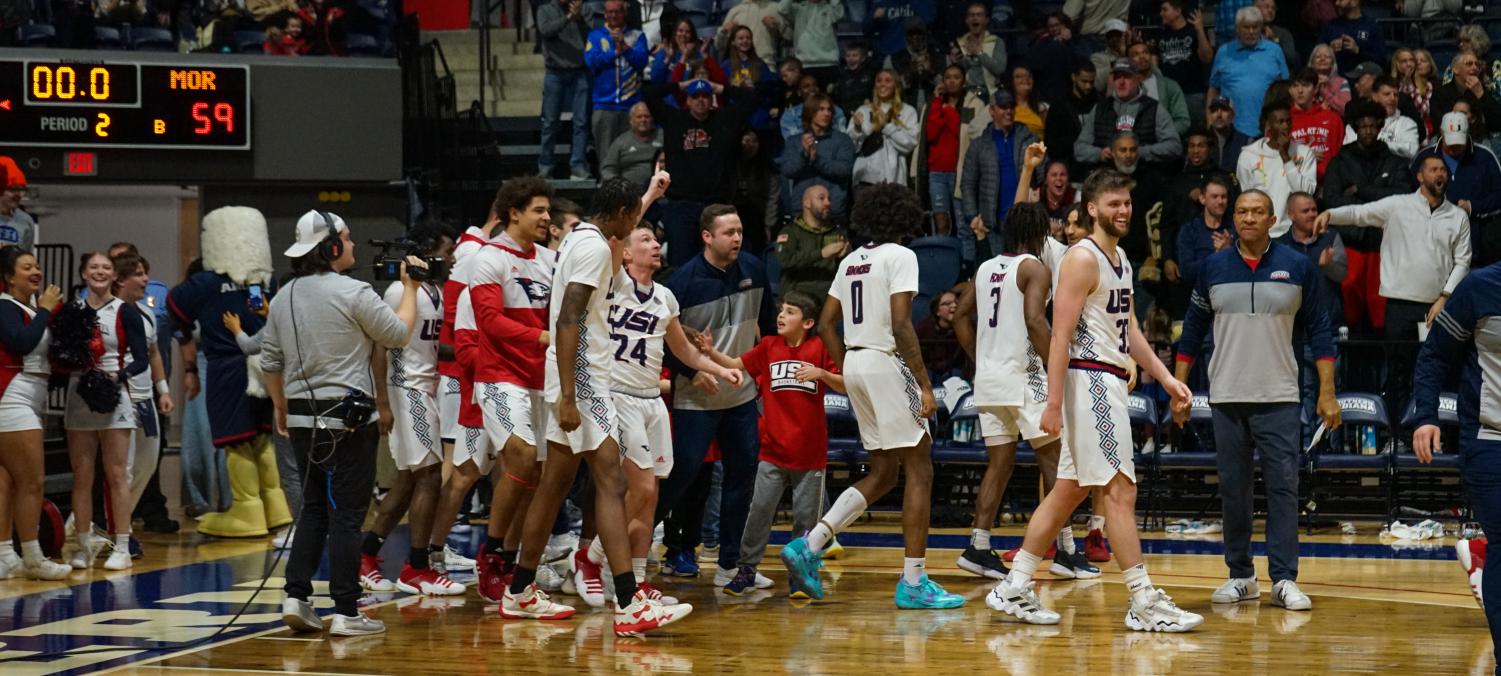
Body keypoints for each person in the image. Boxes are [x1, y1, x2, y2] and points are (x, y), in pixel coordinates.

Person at [986, 168, 1199, 631]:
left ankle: (1014, 584)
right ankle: (1143, 599)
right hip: (1091, 382)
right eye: (1114, 204)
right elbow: (1059, 335)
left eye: (1127, 203)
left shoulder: (1119, 257)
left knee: (1070, 490)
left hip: (1106, 378)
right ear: (1092, 208)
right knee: (1121, 490)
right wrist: (1054, 402)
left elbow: (1131, 332)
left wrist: (1165, 379)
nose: (1123, 210)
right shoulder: (1082, 259)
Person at [503, 178, 697, 635]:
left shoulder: (581, 237)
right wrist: (570, 395)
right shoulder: (592, 250)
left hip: (575, 371)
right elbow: (569, 316)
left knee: (554, 484)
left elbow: (618, 229)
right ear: (623, 217)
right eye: (637, 220)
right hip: (584, 375)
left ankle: (520, 590)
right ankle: (629, 604)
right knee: (611, 480)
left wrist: (648, 195)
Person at [780, 183, 964, 609]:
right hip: (883, 361)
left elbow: (826, 324)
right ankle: (914, 581)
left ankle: (812, 544)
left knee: (883, 472)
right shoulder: (901, 256)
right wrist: (922, 382)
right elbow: (902, 325)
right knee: (920, 469)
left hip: (858, 363)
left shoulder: (850, 260)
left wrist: (847, 366)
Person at [1176, 189, 1340, 613]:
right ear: (1233, 218)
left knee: (1285, 488)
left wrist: (1326, 392)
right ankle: (1241, 576)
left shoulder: (1298, 266)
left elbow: (1321, 332)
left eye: (1257, 212)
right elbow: (1191, 332)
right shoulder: (1212, 268)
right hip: (1226, 396)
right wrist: (1179, 387)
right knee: (1234, 490)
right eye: (1241, 211)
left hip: (1280, 396)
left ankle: (1284, 579)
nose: (1248, 218)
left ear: (1272, 220)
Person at [263, 211, 421, 637]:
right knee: (348, 517)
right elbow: (396, 334)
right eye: (347, 239)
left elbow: (269, 362)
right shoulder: (355, 292)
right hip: (348, 422)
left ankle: (296, 595)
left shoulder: (282, 297)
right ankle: (348, 612)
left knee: (313, 510)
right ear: (331, 248)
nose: (353, 246)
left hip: (300, 420)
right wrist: (410, 290)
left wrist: (280, 407)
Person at [952, 202, 1101, 582]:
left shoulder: (985, 268)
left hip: (989, 380)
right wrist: (1057, 359)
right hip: (1023, 377)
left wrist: (979, 356)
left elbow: (958, 316)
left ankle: (978, 546)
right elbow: (1036, 319)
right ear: (1037, 234)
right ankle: (1066, 551)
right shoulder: (1035, 267)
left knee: (999, 465)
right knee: (1057, 464)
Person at [606, 221, 742, 603]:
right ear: (627, 253)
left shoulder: (665, 296)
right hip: (618, 395)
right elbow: (610, 238)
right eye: (645, 240)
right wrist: (647, 198)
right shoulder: (613, 283)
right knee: (643, 487)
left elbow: (683, 350)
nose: (655, 244)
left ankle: (634, 581)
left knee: (650, 498)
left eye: (656, 239)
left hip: (651, 400)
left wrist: (717, 368)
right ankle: (599, 555)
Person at [442, 178, 557, 603]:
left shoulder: (550, 259)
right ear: (514, 213)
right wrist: (544, 338)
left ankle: (510, 558)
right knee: (521, 455)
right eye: (539, 211)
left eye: (548, 211)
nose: (547, 219)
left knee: (537, 473)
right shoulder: (488, 258)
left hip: (540, 379)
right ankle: (489, 555)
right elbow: (489, 322)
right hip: (498, 374)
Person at [657, 205, 775, 589]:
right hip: (696, 399)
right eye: (729, 232)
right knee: (682, 478)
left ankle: (730, 565)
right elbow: (662, 343)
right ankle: (634, 549)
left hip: (741, 395)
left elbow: (769, 328)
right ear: (707, 236)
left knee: (743, 478)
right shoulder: (682, 282)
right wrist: (692, 371)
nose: (737, 238)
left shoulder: (755, 269)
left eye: (740, 230)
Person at [695, 291, 840, 596]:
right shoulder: (769, 346)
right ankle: (747, 570)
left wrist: (822, 373)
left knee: (806, 522)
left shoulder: (821, 347)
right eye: (781, 311)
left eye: (790, 312)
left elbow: (848, 382)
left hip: (809, 454)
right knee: (758, 512)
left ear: (809, 322)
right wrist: (710, 352)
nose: (782, 316)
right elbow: (737, 362)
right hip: (772, 451)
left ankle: (801, 577)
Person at [1316, 155, 1473, 417]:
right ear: (1420, 176)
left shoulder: (1457, 216)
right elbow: (1359, 213)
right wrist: (1330, 214)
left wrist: (1445, 296)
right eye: (1434, 169)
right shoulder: (1397, 206)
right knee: (1398, 371)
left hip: (1436, 307)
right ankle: (1397, 433)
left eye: (1443, 170)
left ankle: (1433, 427)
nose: (1440, 174)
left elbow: (1463, 261)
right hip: (1399, 305)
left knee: (1434, 370)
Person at [360, 228, 462, 597]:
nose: (452, 257)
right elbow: (380, 348)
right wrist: (382, 403)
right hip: (406, 390)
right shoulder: (399, 292)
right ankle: (417, 567)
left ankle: (365, 554)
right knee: (431, 475)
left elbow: (431, 346)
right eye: (447, 250)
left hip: (426, 388)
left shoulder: (432, 290)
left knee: (406, 483)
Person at [1410, 260, 1501, 662]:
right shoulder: (1480, 287)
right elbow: (1434, 357)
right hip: (1490, 439)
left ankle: (1480, 561)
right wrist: (1426, 416)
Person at [59, 252, 149, 572]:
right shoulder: (72, 310)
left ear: (115, 276)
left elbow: (141, 358)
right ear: (84, 273)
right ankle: (83, 545)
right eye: (93, 267)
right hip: (79, 394)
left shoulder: (126, 311)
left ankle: (121, 545)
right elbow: (60, 352)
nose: (99, 272)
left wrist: (117, 378)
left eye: (106, 268)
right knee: (82, 476)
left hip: (114, 396)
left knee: (116, 474)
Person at [0, 248, 70, 579]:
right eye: (27, 267)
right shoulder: (5, 306)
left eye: (37, 265)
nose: (36, 271)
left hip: (26, 396)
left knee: (8, 482)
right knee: (33, 480)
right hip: (12, 397)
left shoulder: (25, 308)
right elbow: (21, 342)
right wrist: (44, 310)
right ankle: (33, 557)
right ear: (9, 277)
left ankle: (4, 555)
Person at [644, 78, 756, 266]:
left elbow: (751, 99)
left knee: (721, 262)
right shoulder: (675, 120)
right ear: (687, 100)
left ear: (712, 99)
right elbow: (649, 94)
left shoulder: (725, 120)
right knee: (680, 263)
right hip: (682, 205)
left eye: (706, 96)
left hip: (717, 206)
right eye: (695, 96)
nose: (701, 100)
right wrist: (680, 85)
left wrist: (720, 87)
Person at [1323, 100, 1411, 331]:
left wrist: (1361, 191)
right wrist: (1376, 200)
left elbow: (1402, 195)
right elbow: (1332, 200)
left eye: (1373, 126)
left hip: (1384, 242)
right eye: (1363, 126)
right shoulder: (1340, 162)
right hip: (1351, 240)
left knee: (1379, 304)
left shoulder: (1395, 161)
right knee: (1350, 300)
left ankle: (1384, 363)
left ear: (1380, 127)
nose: (1368, 131)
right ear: (1355, 128)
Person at [110, 253, 173, 548]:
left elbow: (154, 353)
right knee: (123, 468)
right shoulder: (108, 313)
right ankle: (114, 529)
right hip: (120, 399)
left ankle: (118, 520)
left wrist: (164, 390)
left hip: (146, 399)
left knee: (147, 464)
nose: (146, 280)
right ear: (121, 279)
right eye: (138, 274)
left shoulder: (147, 314)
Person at [1414, 113, 1501, 268]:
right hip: (1433, 247)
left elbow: (1499, 195)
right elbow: (1408, 197)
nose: (1455, 148)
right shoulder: (1424, 157)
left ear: (1468, 135)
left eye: (1459, 143)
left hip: (1476, 247)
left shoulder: (1484, 157)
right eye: (1450, 143)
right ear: (1441, 133)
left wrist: (1473, 207)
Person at [962, 90, 1039, 264]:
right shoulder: (979, 145)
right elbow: (968, 183)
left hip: (1023, 221)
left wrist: (1038, 191)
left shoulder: (1028, 138)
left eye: (1011, 107)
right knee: (995, 274)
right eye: (1003, 107)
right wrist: (972, 216)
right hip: (992, 223)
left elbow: (1042, 173)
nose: (1008, 111)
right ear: (992, 111)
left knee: (1022, 270)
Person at [1074, 58, 1182, 174]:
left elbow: (1174, 147)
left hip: (1144, 176)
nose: (1121, 82)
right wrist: (1099, 153)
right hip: (1107, 177)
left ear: (1137, 79)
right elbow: (1079, 148)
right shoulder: (1100, 108)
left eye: (1126, 76)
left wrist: (1140, 152)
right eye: (1117, 77)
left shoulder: (1154, 108)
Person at [1207, 6, 1288, 139]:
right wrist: (1210, 121)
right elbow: (1213, 88)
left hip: (1269, 130)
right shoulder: (1224, 52)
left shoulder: (1275, 51)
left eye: (1255, 27)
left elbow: (1285, 89)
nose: (1251, 32)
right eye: (1246, 27)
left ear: (1261, 27)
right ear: (1237, 28)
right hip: (1231, 132)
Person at [1236, 103, 1316, 238]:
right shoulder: (1249, 155)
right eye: (1280, 122)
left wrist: (1286, 158)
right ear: (1269, 125)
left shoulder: (1304, 153)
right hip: (1260, 233)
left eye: (1288, 121)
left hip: (1292, 235)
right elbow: (1245, 198)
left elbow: (1306, 193)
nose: (1285, 126)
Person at [585, 0, 649, 168]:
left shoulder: (637, 36)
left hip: (631, 105)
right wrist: (614, 53)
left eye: (617, 11)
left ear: (624, 13)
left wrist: (625, 47)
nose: (613, 15)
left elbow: (641, 62)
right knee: (606, 158)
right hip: (604, 104)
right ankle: (607, 190)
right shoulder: (596, 36)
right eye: (610, 12)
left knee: (631, 156)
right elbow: (591, 61)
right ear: (605, 14)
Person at [535, 0, 592, 180]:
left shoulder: (585, 9)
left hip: (579, 72)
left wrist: (579, 18)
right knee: (550, 122)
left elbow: (590, 36)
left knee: (581, 122)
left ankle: (577, 164)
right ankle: (545, 165)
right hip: (554, 72)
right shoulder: (545, 10)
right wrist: (568, 18)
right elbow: (546, 31)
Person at [782, 92, 857, 223]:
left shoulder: (842, 140)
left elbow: (844, 170)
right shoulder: (795, 141)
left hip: (833, 210)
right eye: (821, 109)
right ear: (810, 112)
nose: (826, 113)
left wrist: (816, 159)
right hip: (802, 210)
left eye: (829, 110)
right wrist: (804, 155)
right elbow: (788, 170)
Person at [777, 184, 848, 305]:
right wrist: (821, 253)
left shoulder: (837, 232)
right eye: (821, 198)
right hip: (797, 299)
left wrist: (847, 255)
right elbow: (785, 261)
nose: (828, 203)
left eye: (829, 199)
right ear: (807, 203)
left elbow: (844, 271)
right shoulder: (790, 231)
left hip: (828, 300)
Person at [848, 69, 920, 187]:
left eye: (888, 81)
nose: (882, 84)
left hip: (894, 179)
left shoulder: (907, 111)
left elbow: (909, 144)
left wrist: (886, 126)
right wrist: (857, 129)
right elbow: (852, 147)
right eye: (879, 80)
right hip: (865, 177)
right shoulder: (864, 110)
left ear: (896, 85)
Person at [1153, 0, 1213, 127]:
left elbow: (1207, 58)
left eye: (1165, 9)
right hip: (1169, 96)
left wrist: (1200, 30)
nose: (1161, 13)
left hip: (1192, 93)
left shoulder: (1194, 31)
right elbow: (1155, 66)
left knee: (1196, 134)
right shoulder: (1160, 34)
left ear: (1178, 11)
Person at [925, 64, 969, 235]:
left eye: (956, 77)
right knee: (941, 224)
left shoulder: (969, 104)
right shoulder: (935, 104)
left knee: (962, 223)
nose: (951, 81)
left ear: (964, 81)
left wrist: (948, 111)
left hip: (959, 171)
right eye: (948, 77)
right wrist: (937, 102)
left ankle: (965, 261)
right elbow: (931, 134)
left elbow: (958, 130)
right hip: (936, 172)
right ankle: (943, 259)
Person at [1174, 174, 1235, 291]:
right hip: (1198, 295)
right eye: (1215, 196)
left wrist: (1230, 251)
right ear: (1202, 199)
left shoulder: (1235, 229)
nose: (1220, 201)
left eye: (1224, 197)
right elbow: (1187, 272)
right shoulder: (1189, 231)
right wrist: (1218, 257)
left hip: (1230, 292)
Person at [1044, 61, 1101, 178]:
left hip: (1096, 170)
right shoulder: (1059, 106)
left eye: (1091, 82)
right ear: (1074, 77)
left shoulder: (1101, 103)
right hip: (1071, 172)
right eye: (1084, 81)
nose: (1088, 86)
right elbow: (1051, 144)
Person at [1433, 52, 1501, 145]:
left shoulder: (1482, 90)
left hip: (1481, 141)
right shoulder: (1441, 93)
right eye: (1469, 64)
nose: (1475, 68)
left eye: (1477, 65)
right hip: (1449, 140)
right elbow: (1441, 124)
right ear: (1456, 69)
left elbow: (1497, 123)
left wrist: (1481, 94)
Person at [1127, 41, 1189, 136]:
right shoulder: (1124, 88)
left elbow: (1183, 121)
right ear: (1129, 61)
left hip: (1165, 143)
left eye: (1145, 52)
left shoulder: (1170, 85)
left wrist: (1162, 135)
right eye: (1136, 54)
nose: (1142, 56)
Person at [778, 0, 844, 85]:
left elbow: (840, 13)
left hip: (829, 64)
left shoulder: (830, 9)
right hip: (804, 64)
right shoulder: (798, 8)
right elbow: (782, 9)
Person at [948, 2, 1005, 96]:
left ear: (986, 20)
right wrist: (956, 64)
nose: (975, 18)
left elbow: (999, 69)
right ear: (966, 20)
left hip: (990, 94)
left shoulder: (996, 42)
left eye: (979, 15)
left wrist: (979, 53)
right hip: (966, 95)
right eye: (971, 15)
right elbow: (956, 74)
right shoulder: (959, 43)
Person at [601, 102, 662, 188]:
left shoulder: (662, 138)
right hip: (630, 192)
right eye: (639, 117)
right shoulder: (621, 142)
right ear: (631, 120)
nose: (643, 120)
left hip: (661, 190)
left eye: (647, 116)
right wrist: (619, 186)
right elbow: (608, 170)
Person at [914, 288, 970, 382]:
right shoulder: (924, 329)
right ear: (937, 311)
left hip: (955, 374)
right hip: (931, 373)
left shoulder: (965, 329)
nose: (954, 305)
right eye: (947, 304)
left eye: (956, 302)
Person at [1319, 0, 1384, 77]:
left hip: (1363, 78)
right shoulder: (1331, 26)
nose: (1336, 3)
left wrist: (1357, 50)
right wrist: (1330, 49)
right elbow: (1316, 53)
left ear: (1354, 2)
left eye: (1341, 0)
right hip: (1335, 79)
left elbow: (1381, 60)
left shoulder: (1372, 27)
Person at [888, 21, 942, 108]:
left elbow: (948, 86)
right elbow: (889, 89)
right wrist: (909, 72)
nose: (915, 38)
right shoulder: (893, 59)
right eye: (911, 34)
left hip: (934, 105)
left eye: (919, 34)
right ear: (906, 37)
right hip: (904, 106)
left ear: (925, 35)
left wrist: (931, 71)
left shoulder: (940, 57)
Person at [779, 74, 849, 139]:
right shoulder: (789, 115)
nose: (812, 89)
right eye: (806, 86)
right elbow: (794, 143)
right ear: (799, 92)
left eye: (815, 85)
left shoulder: (836, 111)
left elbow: (841, 138)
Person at [716, 0, 784, 63]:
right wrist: (723, 31)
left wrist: (777, 25)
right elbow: (719, 45)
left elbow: (789, 38)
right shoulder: (735, 10)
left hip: (766, 62)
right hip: (738, 63)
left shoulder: (776, 8)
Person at [831, 41, 881, 116]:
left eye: (855, 55)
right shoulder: (841, 74)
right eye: (848, 56)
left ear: (863, 58)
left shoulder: (871, 73)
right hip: (846, 113)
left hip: (866, 111)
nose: (851, 58)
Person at [1206, 96, 1251, 172]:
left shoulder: (1245, 142)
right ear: (1210, 115)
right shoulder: (1203, 140)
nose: (1219, 114)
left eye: (1224, 109)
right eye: (1214, 110)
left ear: (1233, 115)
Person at [1308, 43, 1353, 116]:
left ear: (1332, 63)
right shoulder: (1305, 81)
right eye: (1318, 56)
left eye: (1327, 57)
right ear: (1312, 63)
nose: (1322, 59)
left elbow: (1346, 110)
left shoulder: (1342, 82)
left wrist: (1325, 91)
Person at [0, 159, 35, 252]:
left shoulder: (25, 221)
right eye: (12, 189)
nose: (19, 195)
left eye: (22, 189)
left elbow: (26, 256)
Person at [1010, 65, 1049, 139]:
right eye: (1019, 76)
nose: (1025, 79)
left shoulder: (1042, 107)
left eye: (1029, 76)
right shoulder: (1003, 108)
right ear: (1011, 82)